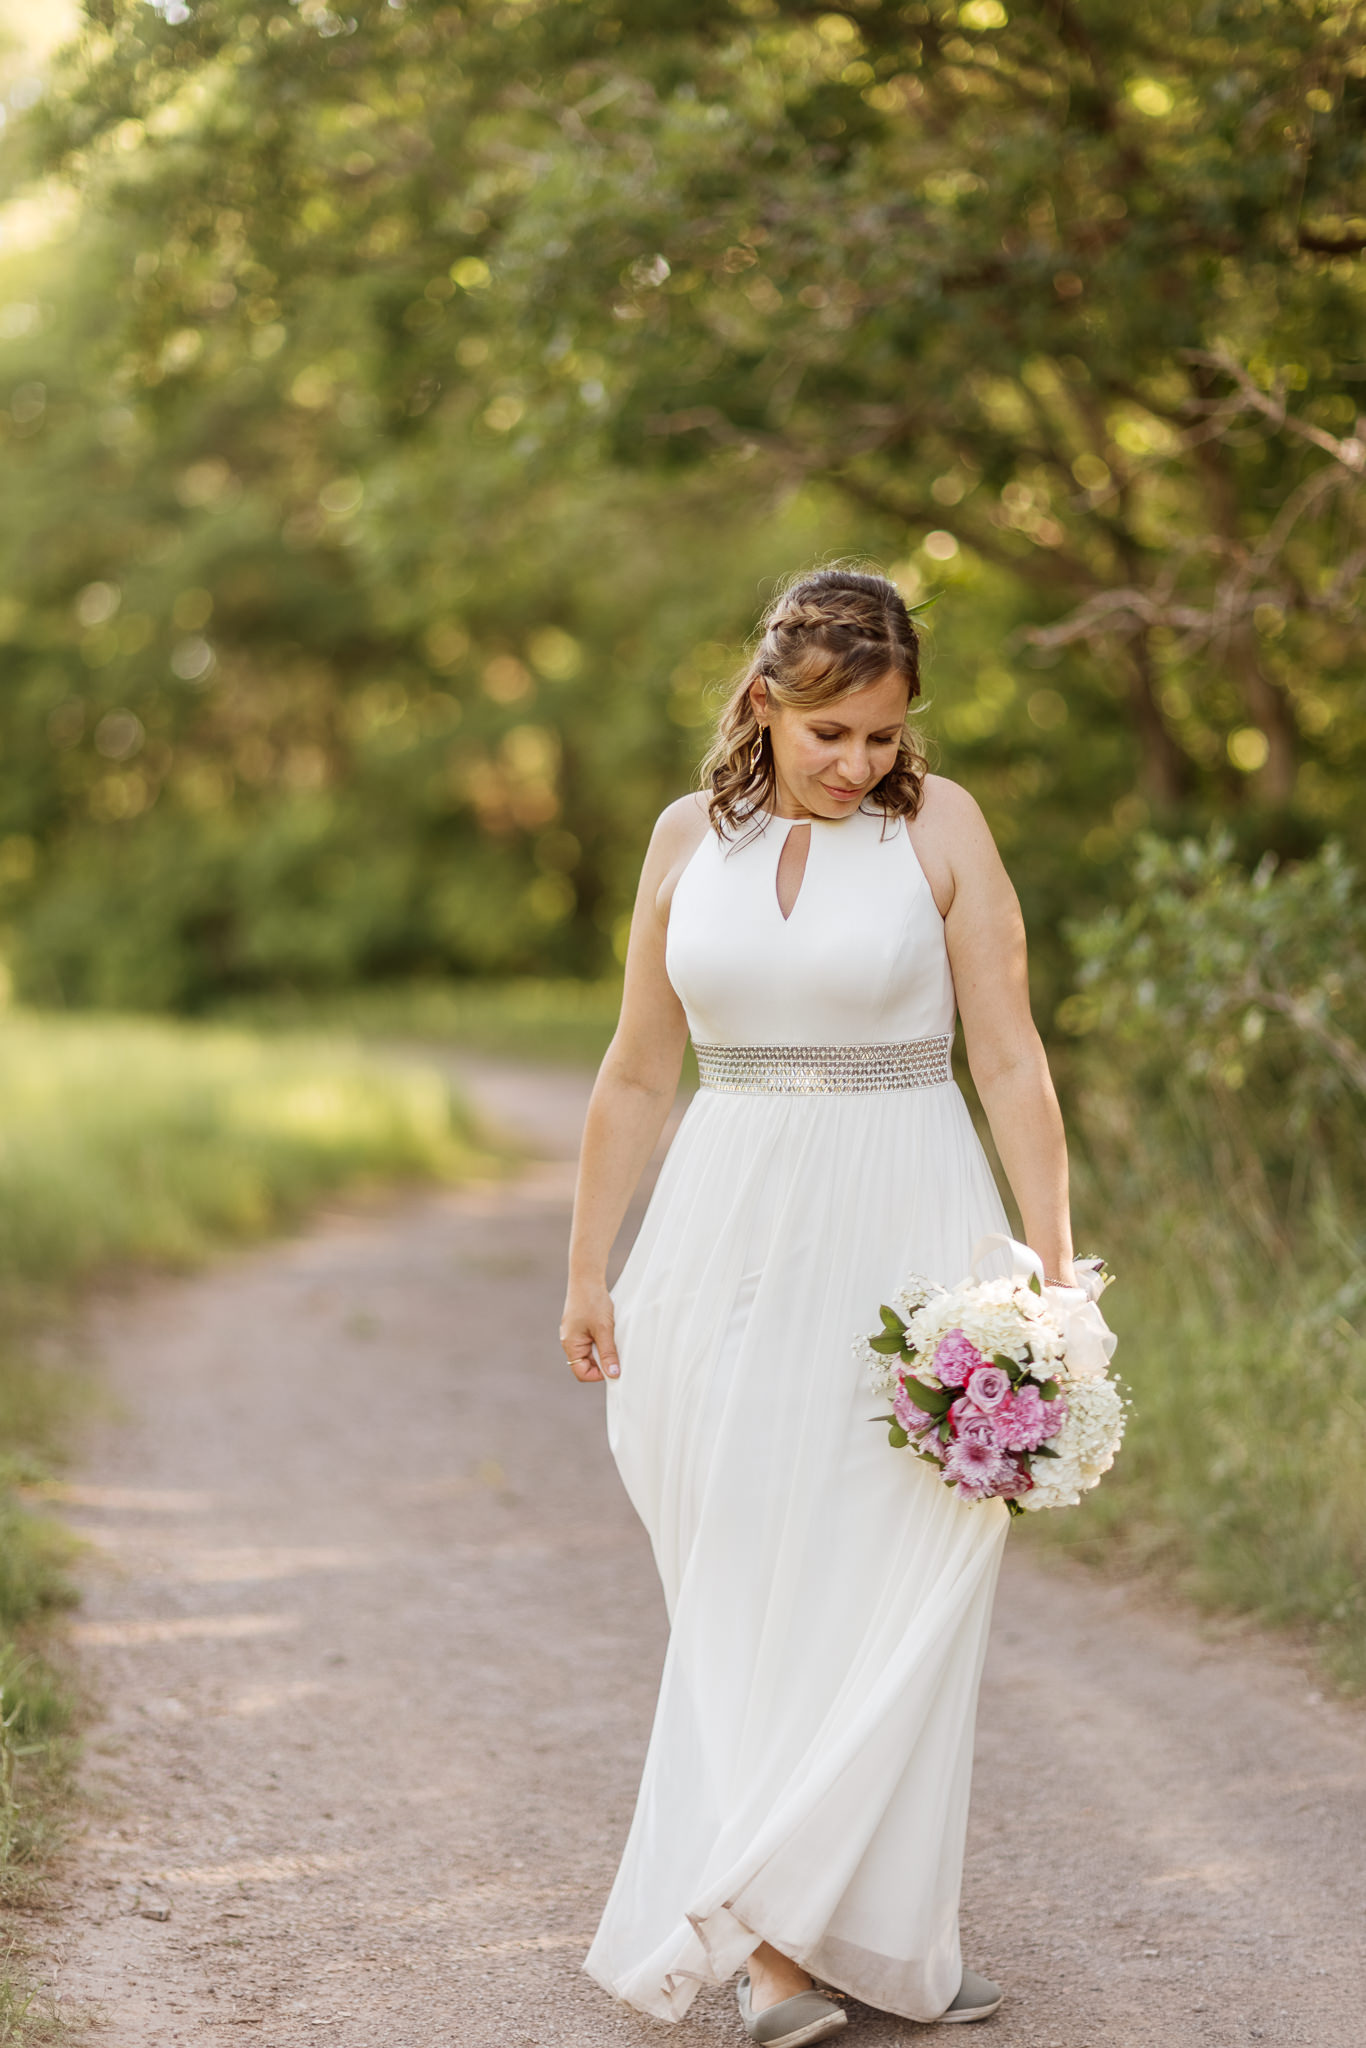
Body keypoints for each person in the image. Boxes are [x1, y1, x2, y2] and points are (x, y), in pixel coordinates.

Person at [560, 567, 1077, 2044]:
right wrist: (588, 1264)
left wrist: (1052, 1269)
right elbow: (636, 1073)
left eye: (883, 734)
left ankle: (809, 1943)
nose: (859, 763)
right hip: (719, 1244)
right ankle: (833, 1923)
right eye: (831, 732)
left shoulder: (943, 829)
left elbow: (1013, 1061)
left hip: (905, 1239)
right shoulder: (685, 842)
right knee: (745, 1569)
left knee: (894, 1572)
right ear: (763, 702)